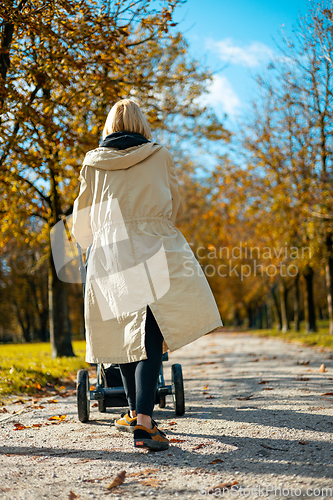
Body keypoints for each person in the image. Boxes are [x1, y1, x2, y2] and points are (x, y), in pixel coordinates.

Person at [72, 99, 223, 451]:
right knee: (150, 335)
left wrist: (90, 244)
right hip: (154, 245)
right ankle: (143, 422)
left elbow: (82, 218)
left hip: (111, 252)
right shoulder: (159, 155)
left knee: (127, 333)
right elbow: (176, 203)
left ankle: (134, 413)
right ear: (141, 123)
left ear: (110, 125)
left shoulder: (92, 163)